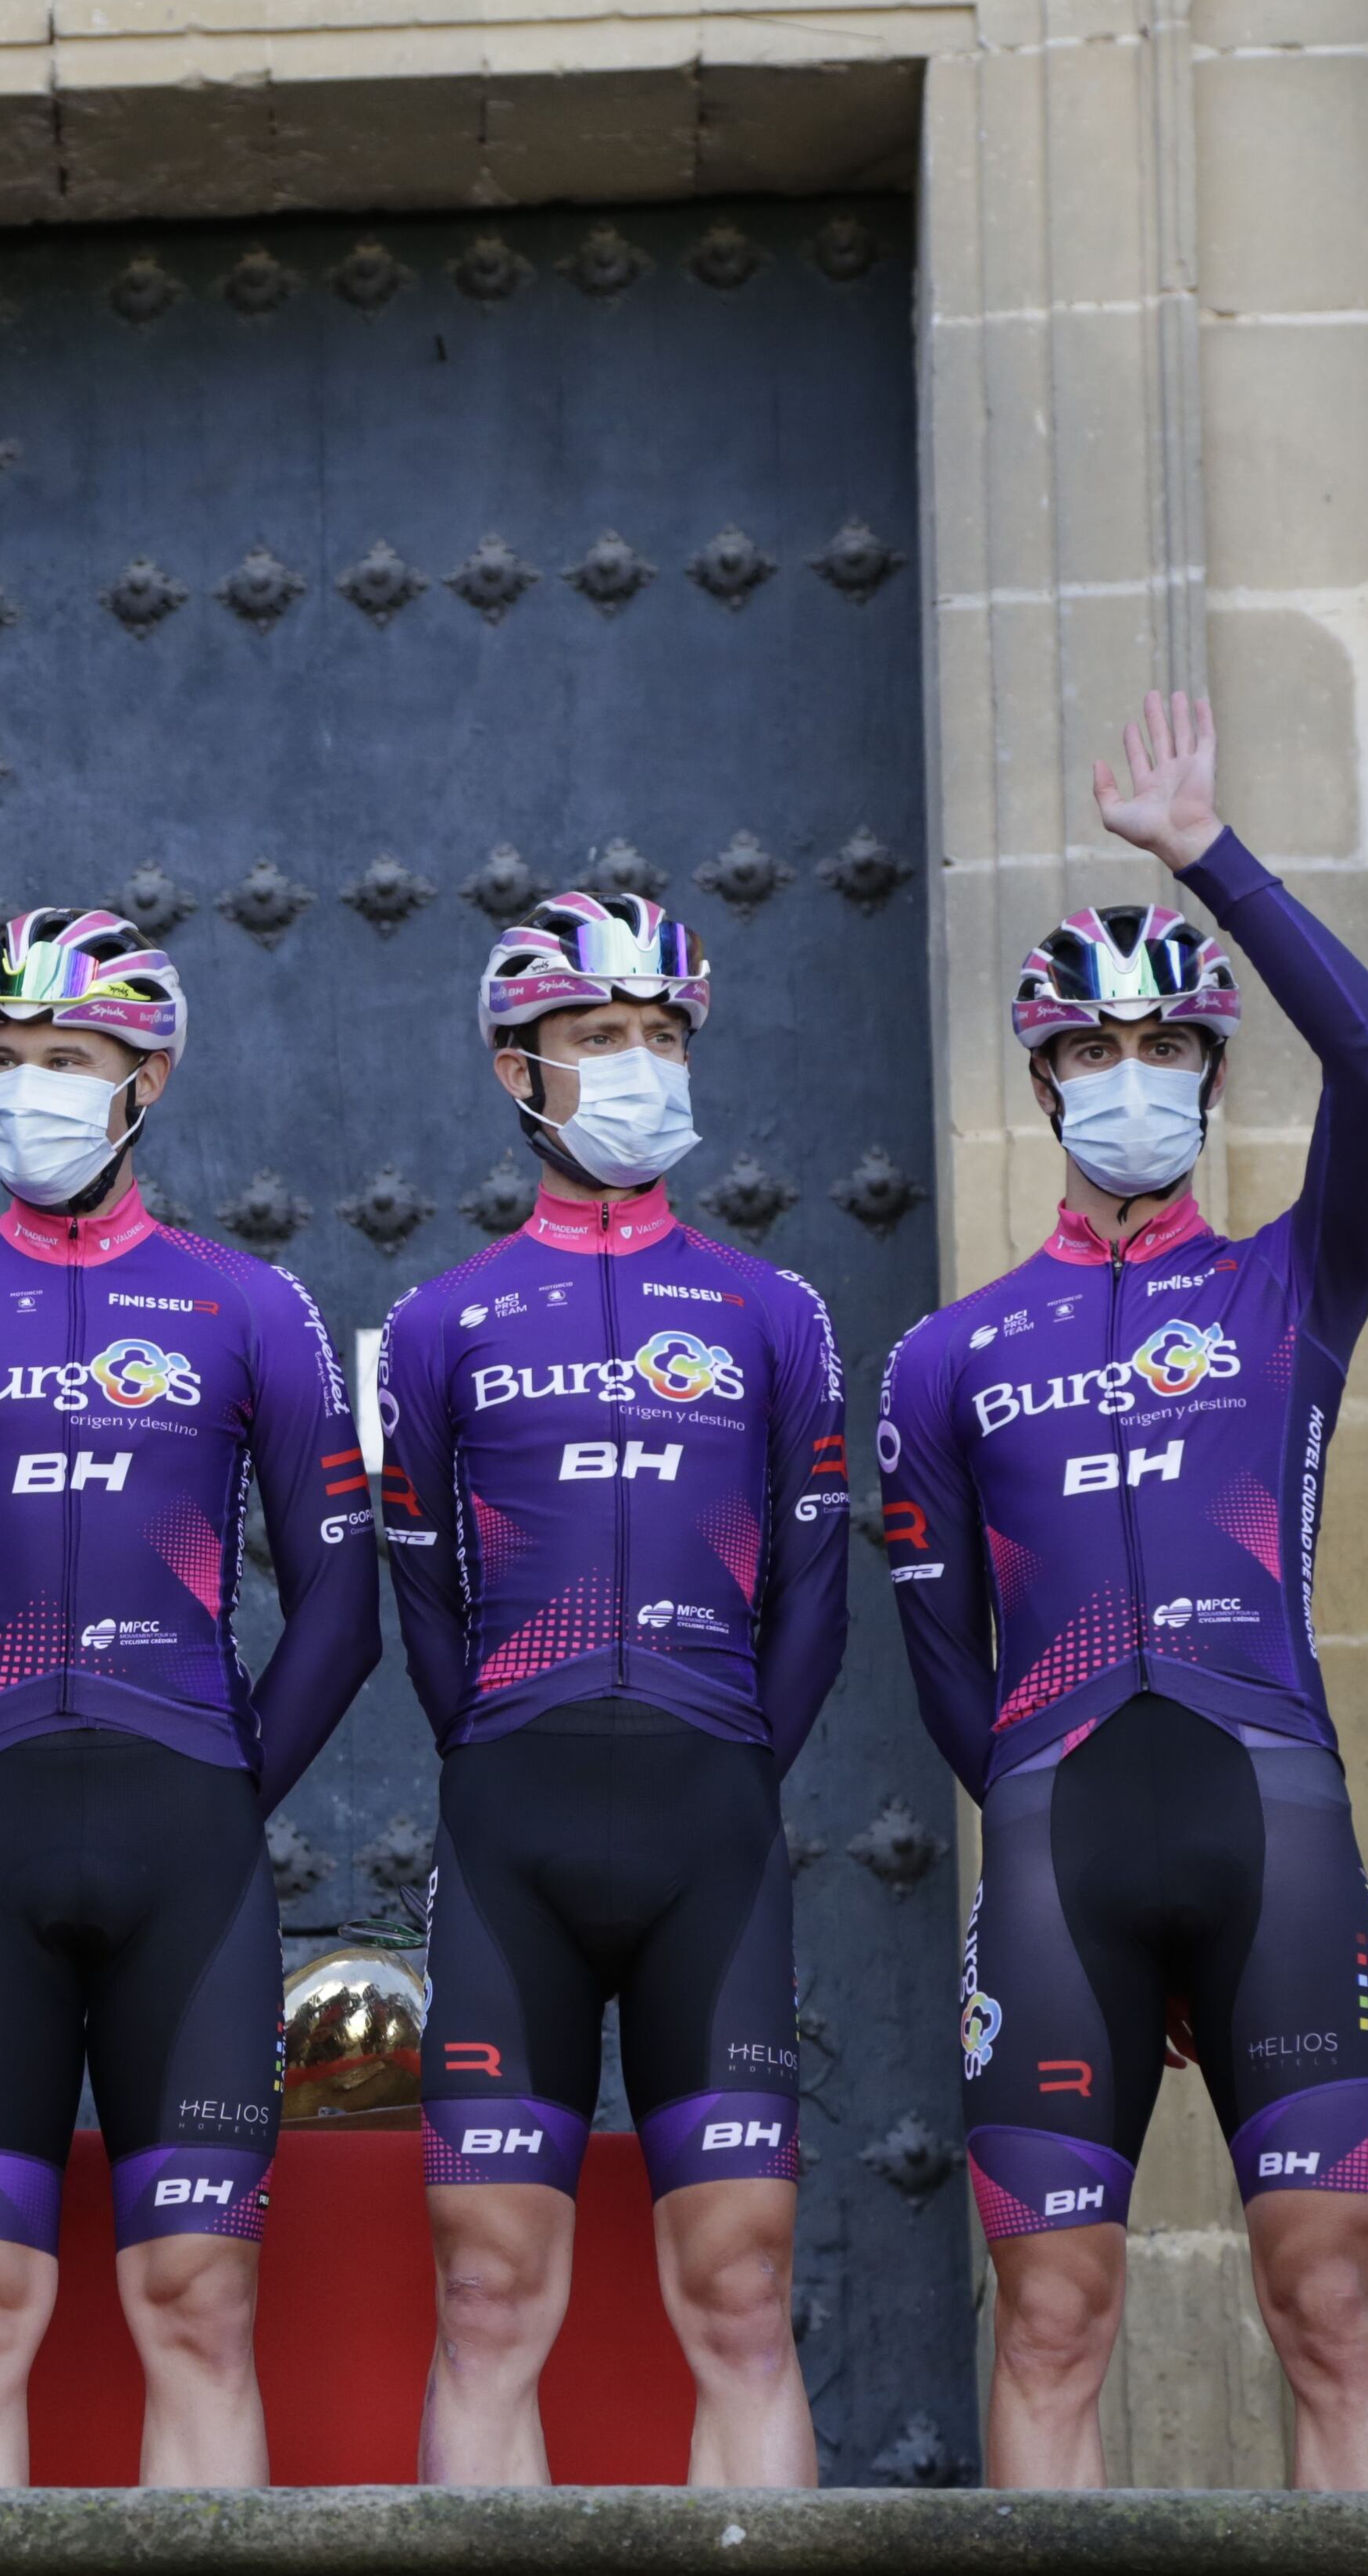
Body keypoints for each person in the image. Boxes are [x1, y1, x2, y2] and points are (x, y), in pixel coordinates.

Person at [880, 692, 1368, 2490]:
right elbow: (943, 1669)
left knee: (1329, 2303)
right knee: (1047, 2322)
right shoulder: (949, 1354)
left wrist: (1213, 864)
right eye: (1099, 1053)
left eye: (1174, 1049)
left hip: (1272, 1812)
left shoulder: (1288, 1289)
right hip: (1059, 1852)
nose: (1137, 1079)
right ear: (1045, 1083)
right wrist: (1044, 1818)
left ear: (1208, 1074)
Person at [0, 907, 380, 2488]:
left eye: (64, 1057)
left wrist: (223, 1782)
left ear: (144, 1077)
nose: (26, 1088)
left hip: (183, 1836)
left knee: (196, 2296)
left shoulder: (248, 1304)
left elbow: (342, 1595)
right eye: (1, 1058)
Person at [377, 891, 847, 2488]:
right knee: (488, 2294)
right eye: (599, 1036)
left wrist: (727, 1759)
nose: (640, 1064)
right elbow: (422, 1604)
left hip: (711, 1821)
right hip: (513, 1818)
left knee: (742, 2294)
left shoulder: (775, 1312)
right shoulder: (440, 1321)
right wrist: (509, 1737)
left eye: (661, 1034)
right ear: (521, 1067)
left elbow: (815, 1600)